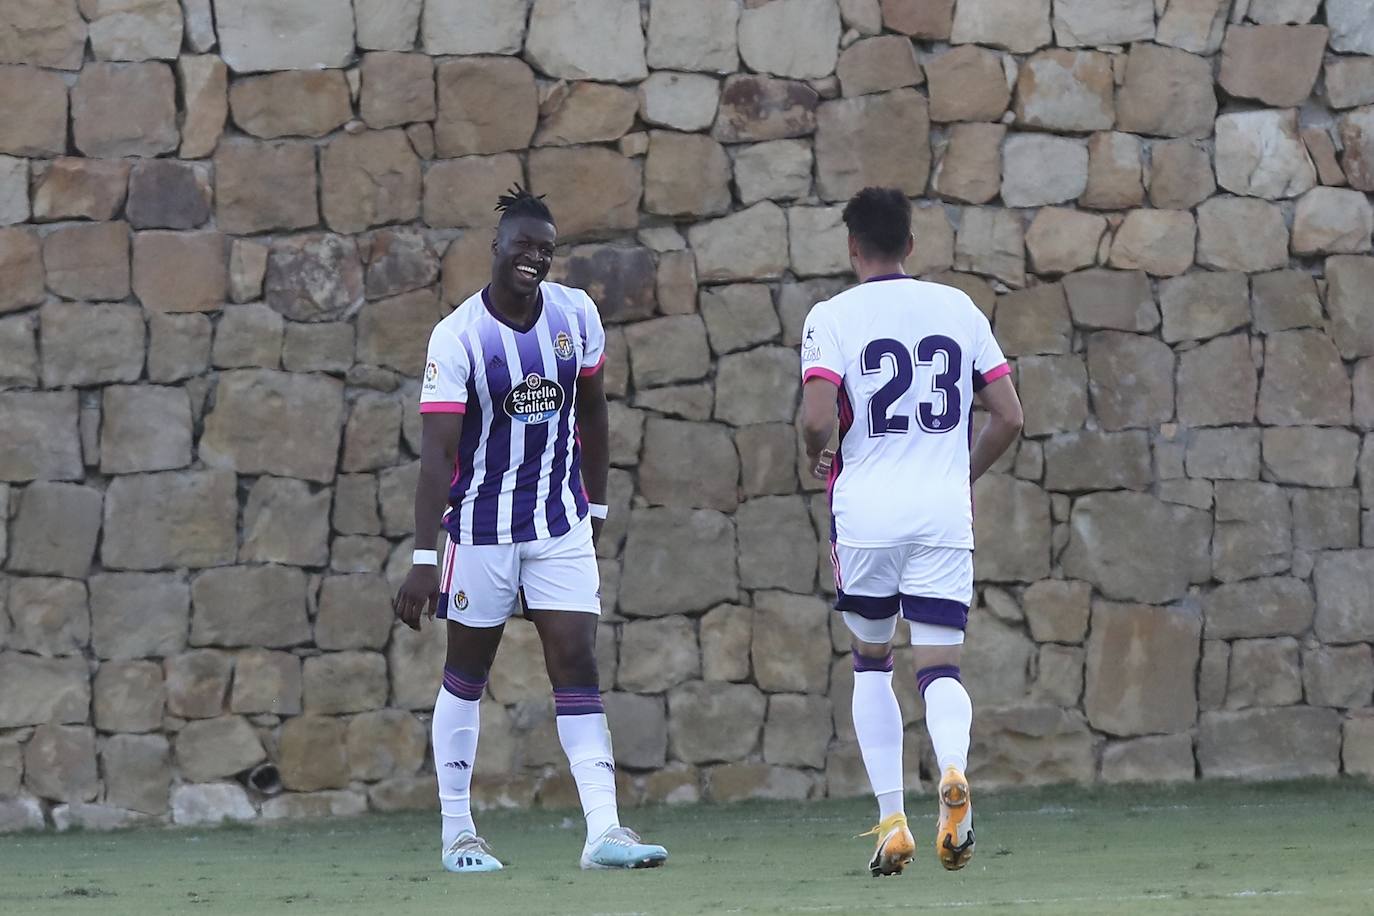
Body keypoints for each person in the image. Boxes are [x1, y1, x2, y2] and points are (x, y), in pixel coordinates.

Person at [393, 186, 667, 874]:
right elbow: (437, 455)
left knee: (577, 661)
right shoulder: (458, 336)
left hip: (558, 523)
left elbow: (594, 413)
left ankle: (603, 832)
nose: (535, 258)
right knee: (467, 673)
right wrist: (425, 556)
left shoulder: (576, 314)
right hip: (481, 531)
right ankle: (459, 833)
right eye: (524, 245)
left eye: (546, 249)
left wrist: (595, 509)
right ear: (497, 247)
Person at [798, 187, 1024, 877]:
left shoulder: (831, 316)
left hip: (866, 517)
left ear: (852, 248)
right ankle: (952, 769)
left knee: (872, 660)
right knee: (940, 666)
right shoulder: (958, 308)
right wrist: (959, 472)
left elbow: (816, 415)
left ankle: (893, 822)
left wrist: (816, 452)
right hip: (940, 515)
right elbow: (1010, 416)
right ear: (911, 245)